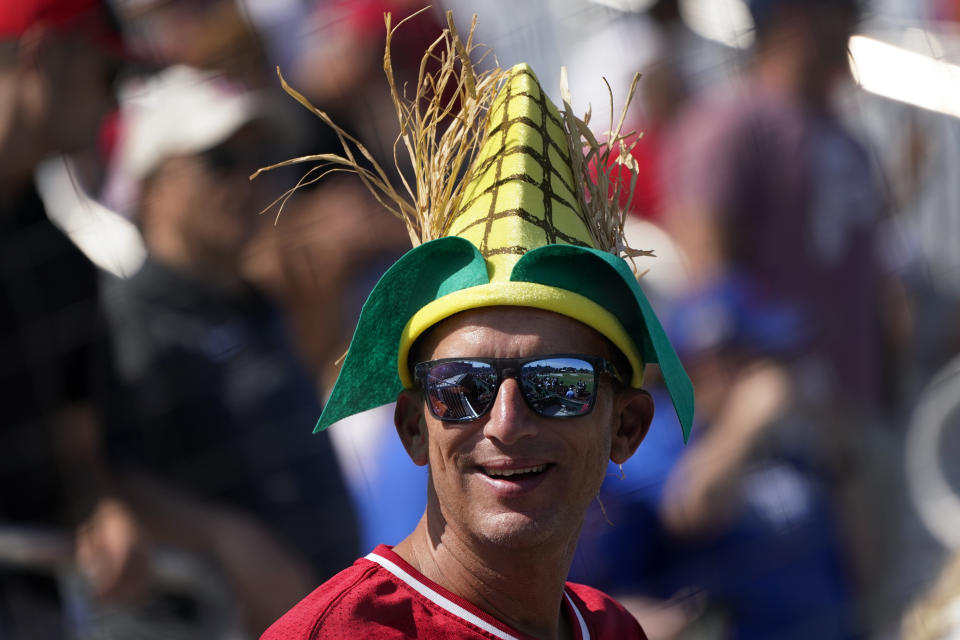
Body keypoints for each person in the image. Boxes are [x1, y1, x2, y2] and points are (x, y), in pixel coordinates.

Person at [259, 14, 694, 639]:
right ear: (412, 426)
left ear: (626, 426)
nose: (506, 421)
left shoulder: (612, 630)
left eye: (558, 384)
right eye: (461, 387)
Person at [93, 65, 359, 634]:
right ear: (154, 184)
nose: (248, 181)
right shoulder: (126, 321)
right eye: (220, 162)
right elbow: (101, 484)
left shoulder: (254, 302)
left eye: (257, 160)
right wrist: (221, 538)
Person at [0, 1, 124, 637]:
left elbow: (73, 441)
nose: (115, 105)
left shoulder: (60, 262)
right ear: (43, 54)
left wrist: (96, 504)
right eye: (109, 75)